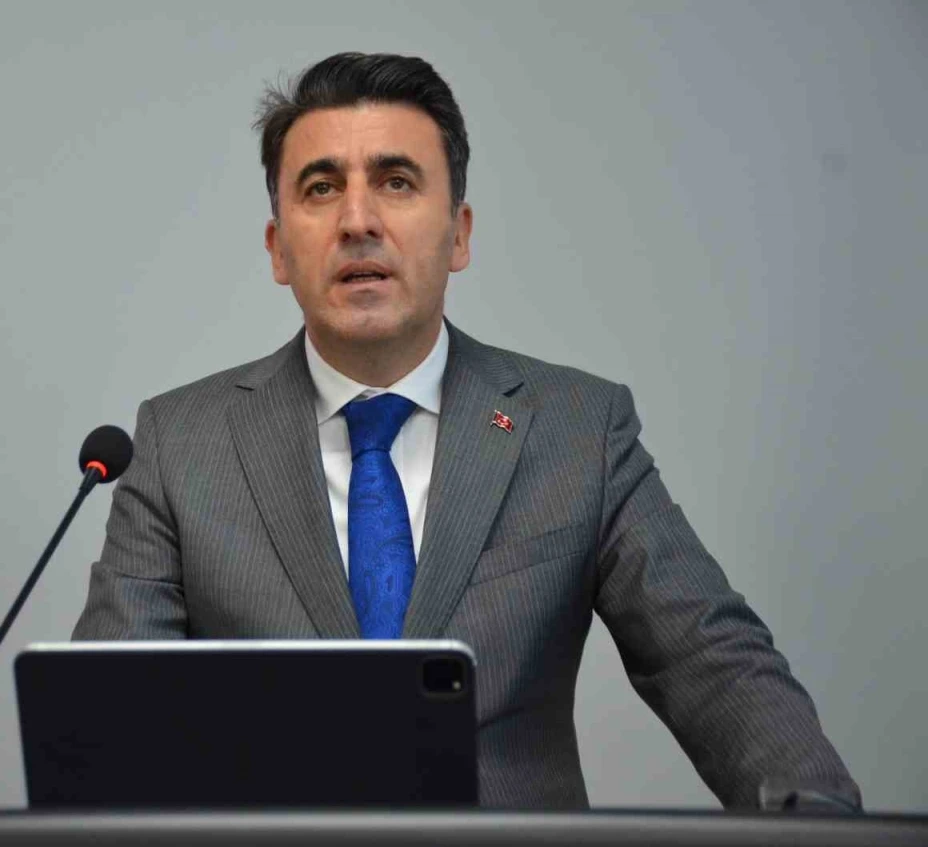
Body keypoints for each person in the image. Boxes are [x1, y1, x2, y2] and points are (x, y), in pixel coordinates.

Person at [72, 52, 859, 810]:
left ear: (459, 234)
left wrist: (816, 817)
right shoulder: (180, 445)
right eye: (320, 188)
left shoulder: (578, 431)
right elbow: (106, 728)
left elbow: (711, 657)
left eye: (396, 181)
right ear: (279, 248)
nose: (357, 220)